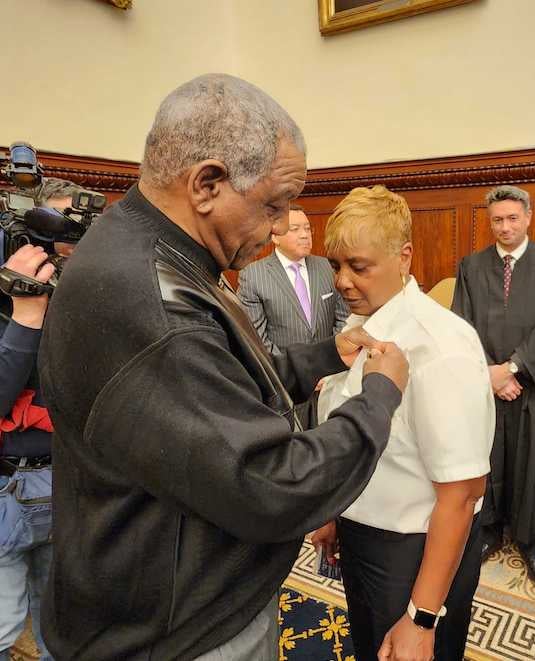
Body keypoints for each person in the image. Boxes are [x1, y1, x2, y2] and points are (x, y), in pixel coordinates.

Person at [38, 74, 409, 660]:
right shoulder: (152, 304)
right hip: (179, 632)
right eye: (272, 206)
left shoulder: (141, 242)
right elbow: (274, 486)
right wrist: (379, 397)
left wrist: (322, 356)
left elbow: (217, 379)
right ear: (207, 183)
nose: (277, 229)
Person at [308, 185, 493, 661]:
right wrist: (335, 511)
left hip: (414, 552)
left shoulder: (440, 345)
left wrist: (422, 617)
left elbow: (463, 492)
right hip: (362, 535)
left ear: (404, 257)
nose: (344, 281)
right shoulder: (362, 332)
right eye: (336, 265)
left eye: (359, 266)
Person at [452, 184, 535, 587]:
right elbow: (461, 328)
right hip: (487, 386)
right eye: (497, 220)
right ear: (488, 221)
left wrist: (512, 368)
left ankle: (530, 543)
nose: (505, 227)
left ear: (528, 218)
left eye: (513, 218)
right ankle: (489, 532)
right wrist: (488, 375)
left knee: (533, 463)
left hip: (533, 387)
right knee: (486, 457)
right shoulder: (471, 267)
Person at [0, 177, 86, 661]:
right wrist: (24, 315)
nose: (67, 245)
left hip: (67, 487)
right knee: (3, 628)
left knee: (62, 632)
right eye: (56, 229)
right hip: (5, 492)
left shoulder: (86, 292)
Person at [237, 203, 349, 355]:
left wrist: (330, 358)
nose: (304, 235)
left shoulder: (328, 267)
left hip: (330, 370)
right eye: (295, 229)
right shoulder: (253, 276)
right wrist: (290, 369)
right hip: (283, 373)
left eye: (308, 229)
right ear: (275, 236)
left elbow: (344, 318)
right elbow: (256, 338)